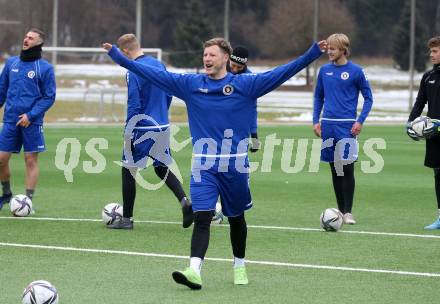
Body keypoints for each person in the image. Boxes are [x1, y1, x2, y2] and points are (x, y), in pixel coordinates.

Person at [103, 37, 327, 289]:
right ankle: (194, 271)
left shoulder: (246, 84)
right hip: (204, 166)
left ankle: (239, 264)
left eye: (212, 54)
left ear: (225, 58)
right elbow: (149, 73)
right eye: (204, 55)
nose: (206, 59)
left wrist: (312, 54)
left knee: (236, 218)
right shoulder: (191, 84)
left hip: (235, 166)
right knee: (202, 217)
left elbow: (282, 73)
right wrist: (119, 57)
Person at [106, 34, 193, 230]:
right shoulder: (159, 65)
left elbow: (134, 102)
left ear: (125, 51)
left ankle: (126, 219)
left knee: (128, 170)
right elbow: (169, 92)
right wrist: (162, 113)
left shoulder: (133, 70)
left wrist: (129, 130)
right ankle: (184, 201)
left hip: (142, 127)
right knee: (161, 167)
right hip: (161, 125)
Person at [313, 33, 373, 225]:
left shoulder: (356, 71)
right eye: (328, 48)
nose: (329, 51)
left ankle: (348, 212)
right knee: (335, 169)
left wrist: (360, 121)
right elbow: (318, 97)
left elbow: (368, 98)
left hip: (347, 125)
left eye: (333, 48)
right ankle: (339, 210)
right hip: (328, 125)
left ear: (343, 50)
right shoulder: (323, 71)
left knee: (347, 168)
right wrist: (316, 120)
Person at [0, 28, 56, 210]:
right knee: (1, 159)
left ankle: (27, 200)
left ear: (39, 43)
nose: (26, 39)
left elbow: (49, 96)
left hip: (32, 121)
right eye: (25, 36)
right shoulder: (11, 63)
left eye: (31, 38)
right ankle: (7, 194)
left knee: (30, 160)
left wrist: (30, 115)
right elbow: (2, 91)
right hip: (10, 120)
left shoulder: (45, 68)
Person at [407, 36, 440, 230]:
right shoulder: (428, 76)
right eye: (431, 51)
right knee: (438, 175)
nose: (431, 54)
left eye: (435, 51)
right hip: (434, 134)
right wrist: (410, 122)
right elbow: (420, 101)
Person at [229, 46, 260, 153]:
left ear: (245, 65)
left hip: (239, 130)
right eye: (233, 65)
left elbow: (251, 108)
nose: (235, 70)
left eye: (239, 67)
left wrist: (254, 135)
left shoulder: (250, 79)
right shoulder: (219, 72)